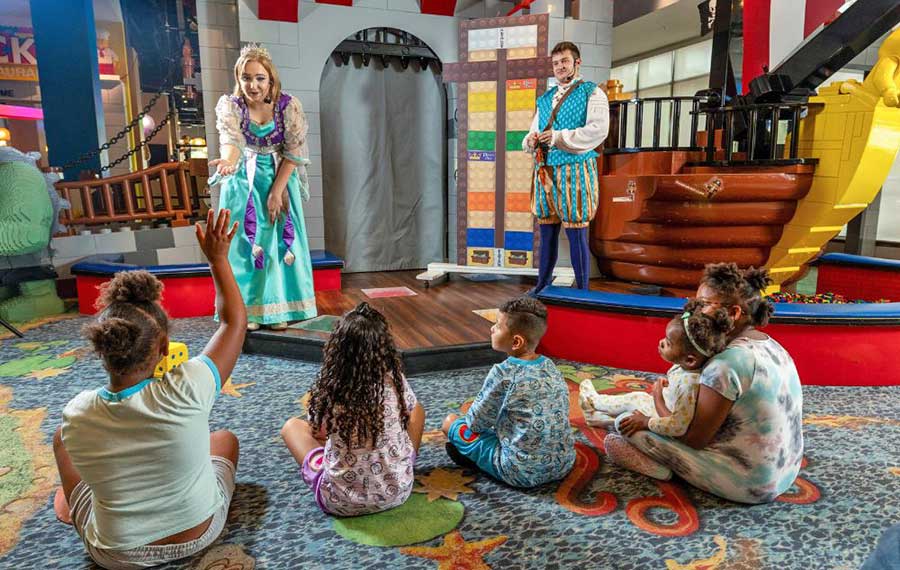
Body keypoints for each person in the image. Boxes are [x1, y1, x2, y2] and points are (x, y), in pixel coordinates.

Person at [53, 209, 246, 569]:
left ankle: (73, 500)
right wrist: (217, 258)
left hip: (115, 554)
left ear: (102, 347)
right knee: (224, 441)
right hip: (199, 534)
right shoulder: (188, 385)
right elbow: (235, 322)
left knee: (63, 440)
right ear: (163, 350)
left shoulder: (77, 413)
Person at [605, 263, 805, 504]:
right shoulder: (769, 343)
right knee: (660, 409)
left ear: (734, 313)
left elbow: (694, 439)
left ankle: (660, 470)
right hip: (786, 469)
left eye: (703, 304)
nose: (694, 311)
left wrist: (648, 421)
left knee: (625, 424)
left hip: (751, 483)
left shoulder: (725, 364)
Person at [280, 302, 426, 516]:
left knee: (292, 427)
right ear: (384, 348)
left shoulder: (330, 387)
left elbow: (318, 431)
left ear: (337, 349)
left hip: (339, 501)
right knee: (417, 410)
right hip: (398, 491)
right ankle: (399, 463)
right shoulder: (394, 381)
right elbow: (410, 412)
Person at [212, 43, 317, 331]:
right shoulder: (232, 107)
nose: (253, 85)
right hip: (244, 180)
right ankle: (249, 311)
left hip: (279, 175)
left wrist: (276, 192)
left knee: (276, 241)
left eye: (259, 78)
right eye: (246, 78)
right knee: (246, 244)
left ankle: (277, 309)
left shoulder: (287, 106)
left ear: (271, 79)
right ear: (238, 78)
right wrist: (228, 163)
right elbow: (231, 143)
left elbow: (294, 152)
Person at [441, 296, 575, 488]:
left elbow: (475, 423)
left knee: (451, 422)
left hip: (519, 472)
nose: (492, 329)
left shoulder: (503, 373)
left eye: (497, 325)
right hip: (564, 463)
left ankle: (479, 460)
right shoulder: (550, 365)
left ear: (516, 342)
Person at [523, 41, 609, 294]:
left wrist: (559, 137)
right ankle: (542, 285)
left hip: (576, 171)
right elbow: (535, 129)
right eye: (556, 63)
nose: (560, 67)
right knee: (547, 231)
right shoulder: (545, 99)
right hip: (546, 171)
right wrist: (530, 140)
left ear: (577, 63)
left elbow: (598, 130)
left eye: (565, 61)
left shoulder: (592, 92)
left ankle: (583, 290)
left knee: (577, 232)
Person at [579, 302, 732, 440]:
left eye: (668, 343)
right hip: (664, 407)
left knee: (635, 398)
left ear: (690, 360)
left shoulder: (689, 384)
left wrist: (652, 409)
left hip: (665, 420)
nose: (661, 342)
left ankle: (594, 401)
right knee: (636, 401)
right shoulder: (687, 367)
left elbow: (677, 427)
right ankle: (596, 417)